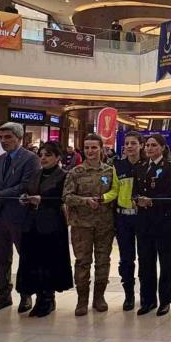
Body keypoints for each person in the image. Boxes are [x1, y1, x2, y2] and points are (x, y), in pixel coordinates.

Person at [0, 122, 40, 315]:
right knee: (1, 258)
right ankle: (3, 295)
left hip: (20, 216)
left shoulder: (31, 159)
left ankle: (26, 294)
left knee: (25, 257)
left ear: (19, 138)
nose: (3, 141)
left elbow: (25, 185)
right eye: (1, 137)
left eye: (8, 137)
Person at [16, 142, 72, 317]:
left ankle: (47, 298)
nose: (43, 158)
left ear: (57, 157)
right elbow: (27, 190)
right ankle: (39, 296)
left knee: (49, 261)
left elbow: (63, 198)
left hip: (52, 225)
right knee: (33, 260)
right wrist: (25, 198)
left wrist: (42, 200)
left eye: (48, 155)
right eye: (41, 155)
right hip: (32, 223)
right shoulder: (36, 174)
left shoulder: (64, 176)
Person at [62, 133, 116, 316]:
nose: (90, 151)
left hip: (104, 225)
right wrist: (85, 201)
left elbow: (114, 193)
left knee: (103, 261)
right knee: (82, 262)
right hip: (81, 225)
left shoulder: (110, 171)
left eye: (94, 147)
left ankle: (99, 297)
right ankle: (82, 300)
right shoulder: (75, 172)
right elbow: (67, 197)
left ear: (101, 149)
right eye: (87, 148)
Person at [133, 135, 171, 316]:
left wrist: (152, 200)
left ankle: (165, 301)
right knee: (145, 261)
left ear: (162, 147)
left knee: (165, 262)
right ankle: (148, 300)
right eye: (147, 145)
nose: (149, 148)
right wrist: (137, 199)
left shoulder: (170, 167)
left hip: (163, 220)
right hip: (144, 221)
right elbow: (134, 190)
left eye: (154, 145)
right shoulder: (141, 166)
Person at [102, 131, 143, 311]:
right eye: (127, 143)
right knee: (126, 258)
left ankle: (146, 293)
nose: (129, 146)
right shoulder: (117, 166)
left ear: (141, 145)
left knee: (146, 258)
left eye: (133, 143)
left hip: (143, 218)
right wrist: (102, 198)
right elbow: (114, 190)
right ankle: (129, 294)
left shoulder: (146, 165)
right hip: (123, 218)